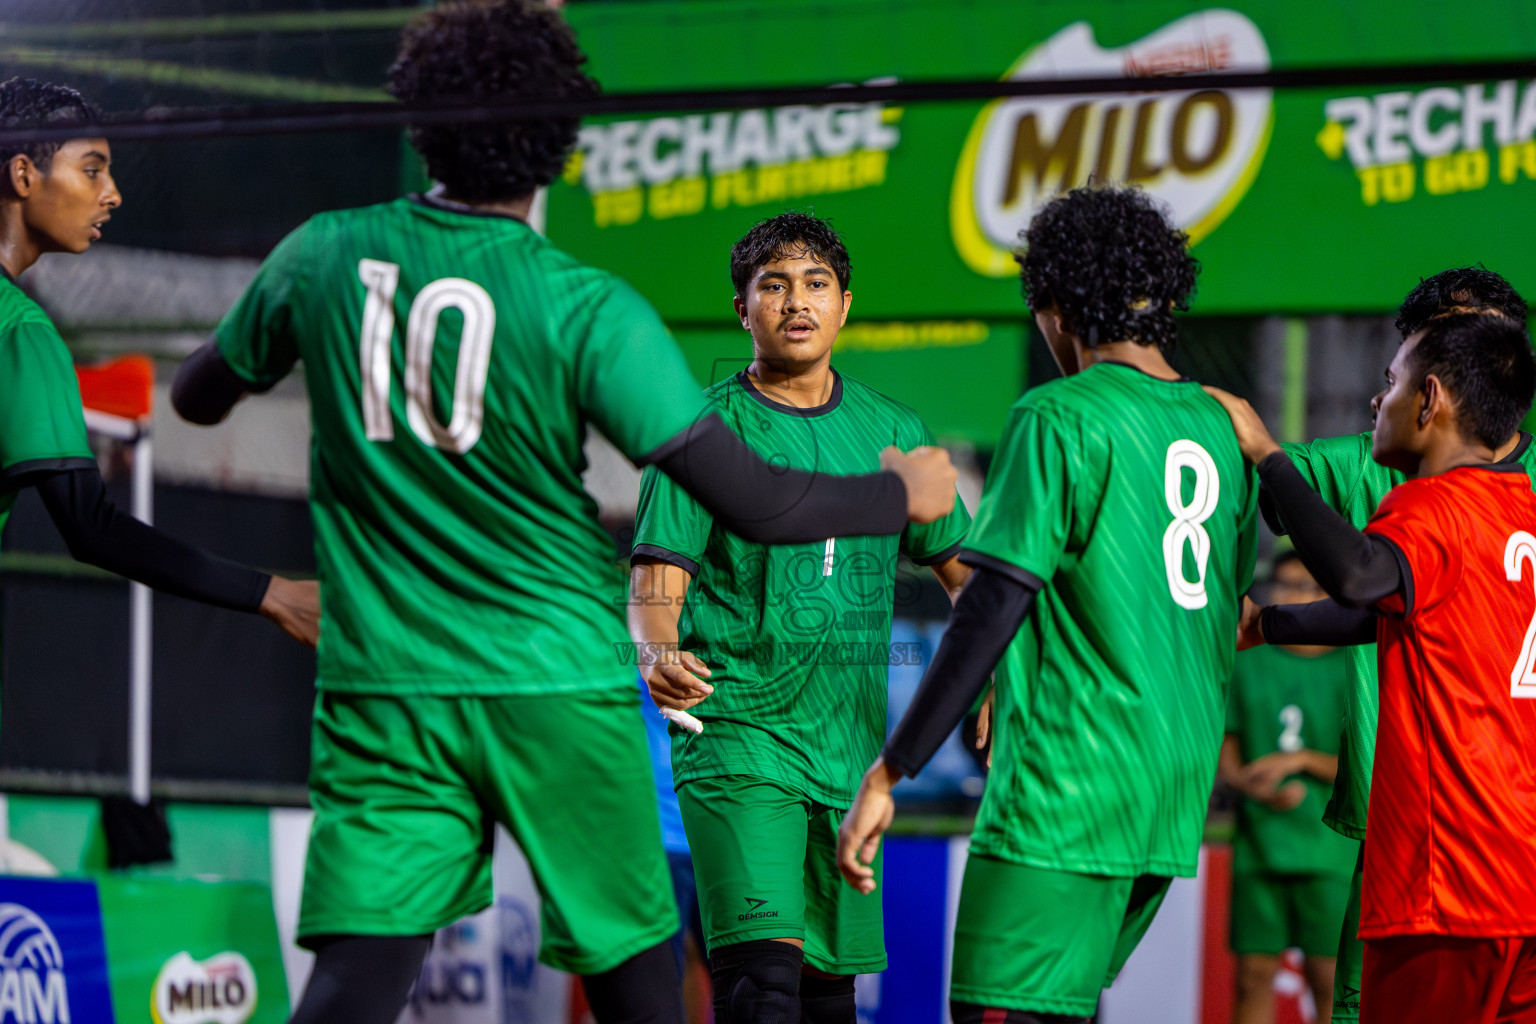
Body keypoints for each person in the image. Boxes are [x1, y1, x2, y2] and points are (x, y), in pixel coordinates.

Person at [169, 5, 955, 1023]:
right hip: (559, 682)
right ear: (556, 141)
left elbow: (196, 396)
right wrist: (902, 494)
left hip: (389, 685)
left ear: (419, 124)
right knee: (641, 982)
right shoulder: (586, 304)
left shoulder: (322, 255)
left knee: (357, 984)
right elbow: (753, 501)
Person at [837, 185, 1258, 1024]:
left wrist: (894, 768)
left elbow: (991, 606)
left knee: (997, 1013)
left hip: (1068, 786)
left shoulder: (1058, 415)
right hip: (1167, 799)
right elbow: (1227, 609)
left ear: (1058, 306)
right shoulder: (1223, 428)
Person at [628, 212, 971, 1024]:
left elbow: (972, 578)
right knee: (761, 991)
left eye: (815, 284)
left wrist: (991, 672)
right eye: (773, 285)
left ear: (845, 305)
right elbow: (653, 585)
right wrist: (655, 652)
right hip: (737, 738)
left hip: (848, 760)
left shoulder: (894, 433)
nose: (796, 301)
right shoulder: (702, 431)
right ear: (743, 310)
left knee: (826, 1000)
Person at [1207, 312, 1536, 1024]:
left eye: (1391, 381)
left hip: (1447, 878)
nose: (1377, 401)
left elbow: (1360, 577)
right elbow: (1392, 605)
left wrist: (1268, 455)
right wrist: (1272, 623)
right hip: (1523, 878)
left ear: (1432, 400)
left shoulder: (1435, 503)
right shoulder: (1520, 507)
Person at [0, 76, 318, 670]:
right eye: (92, 171)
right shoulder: (20, 332)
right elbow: (91, 526)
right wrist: (274, 595)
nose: (113, 194)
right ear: (23, 176)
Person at [1219, 552, 1356, 1024]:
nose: (1295, 600)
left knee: (1329, 981)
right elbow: (1228, 757)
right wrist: (1252, 785)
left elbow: (1374, 764)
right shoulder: (1250, 660)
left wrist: (1298, 760)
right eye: (1286, 589)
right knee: (1252, 978)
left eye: (1308, 589)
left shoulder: (1356, 663)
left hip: (1331, 856)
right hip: (1260, 848)